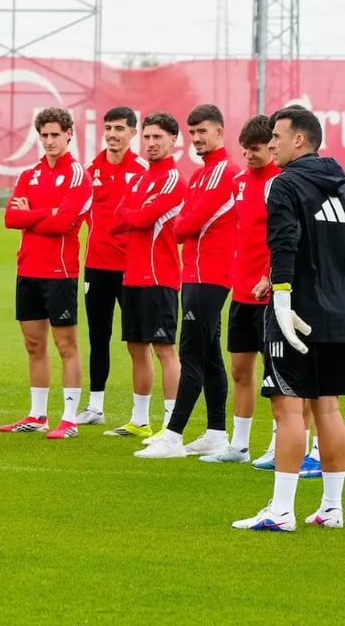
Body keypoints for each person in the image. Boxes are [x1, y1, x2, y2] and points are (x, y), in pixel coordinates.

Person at [233, 106, 345, 531]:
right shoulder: (340, 183)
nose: (272, 144)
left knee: (288, 410)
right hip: (337, 312)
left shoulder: (284, 184)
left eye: (277, 136)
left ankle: (281, 511)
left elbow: (285, 243)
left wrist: (280, 295)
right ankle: (332, 508)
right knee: (329, 408)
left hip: (295, 312)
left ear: (300, 140)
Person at [137, 104, 240, 458]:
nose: (197, 138)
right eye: (192, 132)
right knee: (209, 354)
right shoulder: (201, 174)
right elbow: (183, 221)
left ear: (219, 133)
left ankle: (174, 435)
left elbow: (185, 226)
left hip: (208, 275)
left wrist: (181, 225)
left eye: (203, 132)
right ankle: (216, 431)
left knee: (191, 354)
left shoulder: (220, 172)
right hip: (196, 274)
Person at [1, 107, 93, 440]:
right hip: (28, 269)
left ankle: (69, 418)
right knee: (33, 343)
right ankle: (37, 415)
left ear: (69, 133)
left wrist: (35, 215)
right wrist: (47, 212)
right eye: (44, 135)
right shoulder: (29, 175)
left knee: (66, 345)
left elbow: (64, 223)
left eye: (56, 134)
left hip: (60, 271)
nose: (50, 141)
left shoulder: (78, 175)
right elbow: (11, 219)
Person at [200, 115, 278, 465]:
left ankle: (280, 446)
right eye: (244, 149)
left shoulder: (280, 182)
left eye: (256, 149)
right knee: (240, 371)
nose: (248, 155)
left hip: (270, 293)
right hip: (242, 292)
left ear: (272, 148)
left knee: (277, 377)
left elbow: (286, 240)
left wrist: (269, 275)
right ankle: (240, 446)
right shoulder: (241, 183)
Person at [103, 112, 183, 442]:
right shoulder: (137, 179)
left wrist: (135, 214)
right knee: (137, 348)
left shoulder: (173, 178)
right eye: (147, 137)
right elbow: (118, 219)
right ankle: (139, 420)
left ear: (173, 141)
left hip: (160, 277)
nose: (150, 143)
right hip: (132, 276)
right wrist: (135, 214)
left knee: (165, 351)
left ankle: (170, 425)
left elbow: (140, 218)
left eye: (157, 138)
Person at [76, 106, 148, 424]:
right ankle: (95, 407)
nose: (112, 134)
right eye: (108, 128)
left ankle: (140, 415)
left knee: (137, 340)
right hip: (96, 265)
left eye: (119, 128)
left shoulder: (144, 170)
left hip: (132, 268)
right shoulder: (91, 170)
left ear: (133, 133)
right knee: (98, 336)